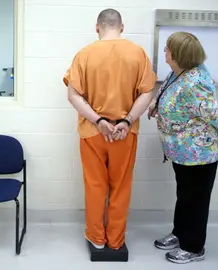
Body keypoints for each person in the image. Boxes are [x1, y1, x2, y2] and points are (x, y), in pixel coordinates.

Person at [63, 9, 157, 250]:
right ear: (122, 27)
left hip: (93, 132)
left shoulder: (84, 55)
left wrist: (98, 120)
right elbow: (148, 91)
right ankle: (116, 240)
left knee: (95, 186)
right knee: (121, 186)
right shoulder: (137, 54)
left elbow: (73, 95)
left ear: (97, 27)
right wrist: (126, 121)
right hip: (125, 133)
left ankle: (96, 238)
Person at [148, 31, 218, 264]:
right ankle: (179, 234)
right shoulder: (177, 72)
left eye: (167, 48)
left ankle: (194, 247)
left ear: (176, 55)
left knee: (196, 198)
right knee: (184, 194)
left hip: (201, 153)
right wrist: (156, 106)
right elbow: (166, 91)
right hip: (183, 151)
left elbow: (211, 113)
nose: (164, 51)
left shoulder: (196, 81)